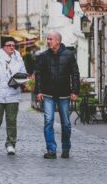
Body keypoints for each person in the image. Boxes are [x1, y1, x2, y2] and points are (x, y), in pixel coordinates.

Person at [35, 30, 80, 159]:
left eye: (50, 39)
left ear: (58, 41)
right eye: (47, 39)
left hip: (64, 95)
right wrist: (38, 91)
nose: (48, 41)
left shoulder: (69, 55)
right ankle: (51, 150)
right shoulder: (43, 56)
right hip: (48, 94)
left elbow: (75, 74)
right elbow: (38, 74)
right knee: (48, 121)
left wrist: (75, 91)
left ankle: (66, 148)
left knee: (66, 123)